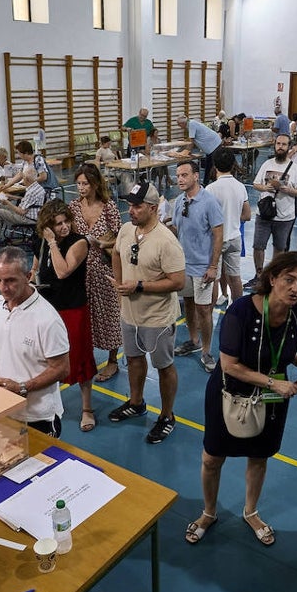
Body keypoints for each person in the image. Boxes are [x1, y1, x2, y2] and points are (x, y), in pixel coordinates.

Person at [186, 252, 297, 547]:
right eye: (289, 280)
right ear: (272, 279)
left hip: (271, 399)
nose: (296, 288)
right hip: (228, 393)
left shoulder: (296, 313)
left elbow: (284, 347)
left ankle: (251, 512)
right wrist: (274, 383)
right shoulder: (240, 312)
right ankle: (208, 512)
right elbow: (230, 365)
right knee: (212, 458)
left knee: (259, 457)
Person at [109, 181, 186, 444]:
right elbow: (117, 254)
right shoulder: (126, 230)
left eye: (137, 206)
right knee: (133, 359)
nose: (131, 210)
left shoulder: (166, 241)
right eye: (129, 205)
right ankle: (136, 402)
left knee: (163, 366)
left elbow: (178, 281)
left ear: (153, 208)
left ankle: (167, 416)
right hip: (130, 313)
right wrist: (120, 286)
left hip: (157, 318)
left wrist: (139, 285)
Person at [0, 246, 70, 437]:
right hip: (7, 409)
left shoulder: (47, 320)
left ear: (28, 276)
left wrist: (22, 388)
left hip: (38, 418)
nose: (3, 288)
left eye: (10, 280)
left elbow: (62, 369)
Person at [34, 200, 99, 432]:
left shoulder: (78, 242)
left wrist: (52, 242)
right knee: (47, 358)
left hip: (73, 308)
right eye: (58, 224)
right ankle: (47, 406)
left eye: (66, 222)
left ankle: (87, 409)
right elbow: (36, 269)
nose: (64, 227)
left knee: (80, 358)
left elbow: (63, 271)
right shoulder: (41, 243)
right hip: (48, 309)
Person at [69, 163, 123, 383]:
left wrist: (101, 243)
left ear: (95, 184)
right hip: (81, 270)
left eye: (85, 184)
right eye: (79, 183)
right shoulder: (73, 207)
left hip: (105, 268)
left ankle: (112, 360)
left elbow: (120, 237)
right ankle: (86, 357)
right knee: (84, 315)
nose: (81, 188)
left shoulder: (109, 207)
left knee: (109, 314)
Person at [171, 160, 224, 373]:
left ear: (196, 176)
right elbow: (175, 228)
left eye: (184, 175)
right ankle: (193, 340)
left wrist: (213, 266)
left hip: (203, 267)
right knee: (189, 305)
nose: (180, 179)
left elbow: (218, 235)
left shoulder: (209, 202)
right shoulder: (179, 201)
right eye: (178, 176)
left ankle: (206, 350)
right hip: (183, 266)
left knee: (204, 309)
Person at [248, 133, 297, 289]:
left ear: (289, 147)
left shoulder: (295, 168)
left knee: (279, 248)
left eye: (284, 144)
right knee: (258, 246)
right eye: (278, 144)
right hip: (265, 214)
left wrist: (288, 190)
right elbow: (255, 184)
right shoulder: (267, 164)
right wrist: (265, 187)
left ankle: (274, 276)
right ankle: (259, 275)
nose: (280, 147)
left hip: (284, 216)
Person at [204, 147, 251, 306]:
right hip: (235, 238)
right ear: (233, 165)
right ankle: (239, 309)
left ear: (215, 166)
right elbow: (247, 215)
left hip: (217, 240)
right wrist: (232, 216)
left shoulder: (210, 189)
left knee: (214, 278)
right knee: (235, 276)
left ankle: (209, 311)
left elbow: (206, 219)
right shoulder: (240, 187)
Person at [0, 157, 45, 247]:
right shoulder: (36, 187)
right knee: (0, 207)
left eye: (23, 178)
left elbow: (21, 211)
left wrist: (7, 202)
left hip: (27, 218)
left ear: (27, 179)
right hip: (32, 213)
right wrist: (12, 197)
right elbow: (27, 202)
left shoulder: (31, 192)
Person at [176, 114, 223, 180]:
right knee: (208, 166)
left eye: (179, 124)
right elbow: (191, 140)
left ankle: (215, 182)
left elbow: (191, 142)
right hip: (212, 146)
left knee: (213, 167)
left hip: (214, 145)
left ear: (183, 123)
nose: (179, 126)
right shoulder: (191, 124)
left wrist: (185, 152)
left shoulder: (191, 124)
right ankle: (205, 182)